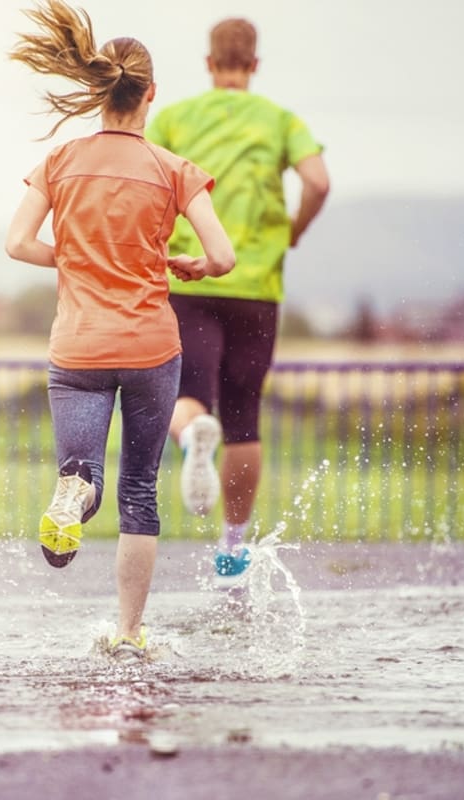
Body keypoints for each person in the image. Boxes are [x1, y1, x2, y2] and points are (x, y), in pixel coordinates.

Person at [5, 0, 235, 659]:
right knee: (139, 490)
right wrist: (189, 263)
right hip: (150, 346)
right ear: (151, 95)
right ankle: (129, 634)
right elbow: (222, 257)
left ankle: (72, 493)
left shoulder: (61, 160)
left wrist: (73, 257)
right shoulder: (172, 169)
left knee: (83, 473)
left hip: (76, 347)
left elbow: (17, 242)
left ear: (99, 90)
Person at [146, 17, 330, 577]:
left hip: (188, 277)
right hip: (256, 284)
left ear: (208, 63)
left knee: (188, 397)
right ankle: (231, 549)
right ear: (254, 65)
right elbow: (318, 181)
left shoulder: (175, 118)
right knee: (245, 417)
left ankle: (191, 441)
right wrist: (293, 229)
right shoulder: (278, 120)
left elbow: (149, 183)